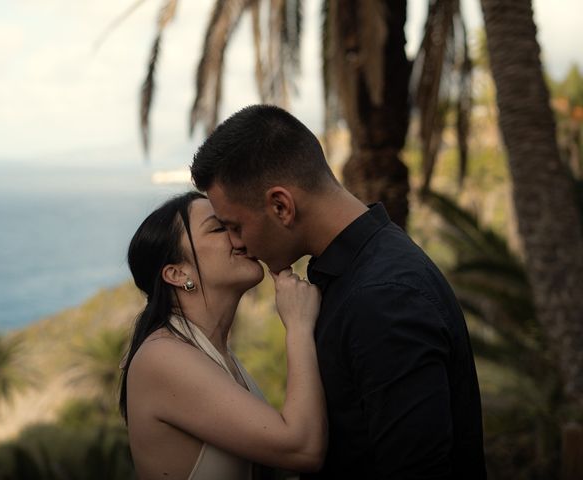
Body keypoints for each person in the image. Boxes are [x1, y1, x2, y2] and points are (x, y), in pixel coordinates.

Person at [190, 105, 487, 479]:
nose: (237, 244)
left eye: (234, 226)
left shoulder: (383, 297)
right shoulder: (360, 275)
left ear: (281, 206)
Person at [119, 191, 327, 480]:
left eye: (235, 224)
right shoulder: (161, 357)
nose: (239, 236)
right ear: (177, 274)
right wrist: (299, 327)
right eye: (220, 228)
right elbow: (302, 449)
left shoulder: (215, 354)